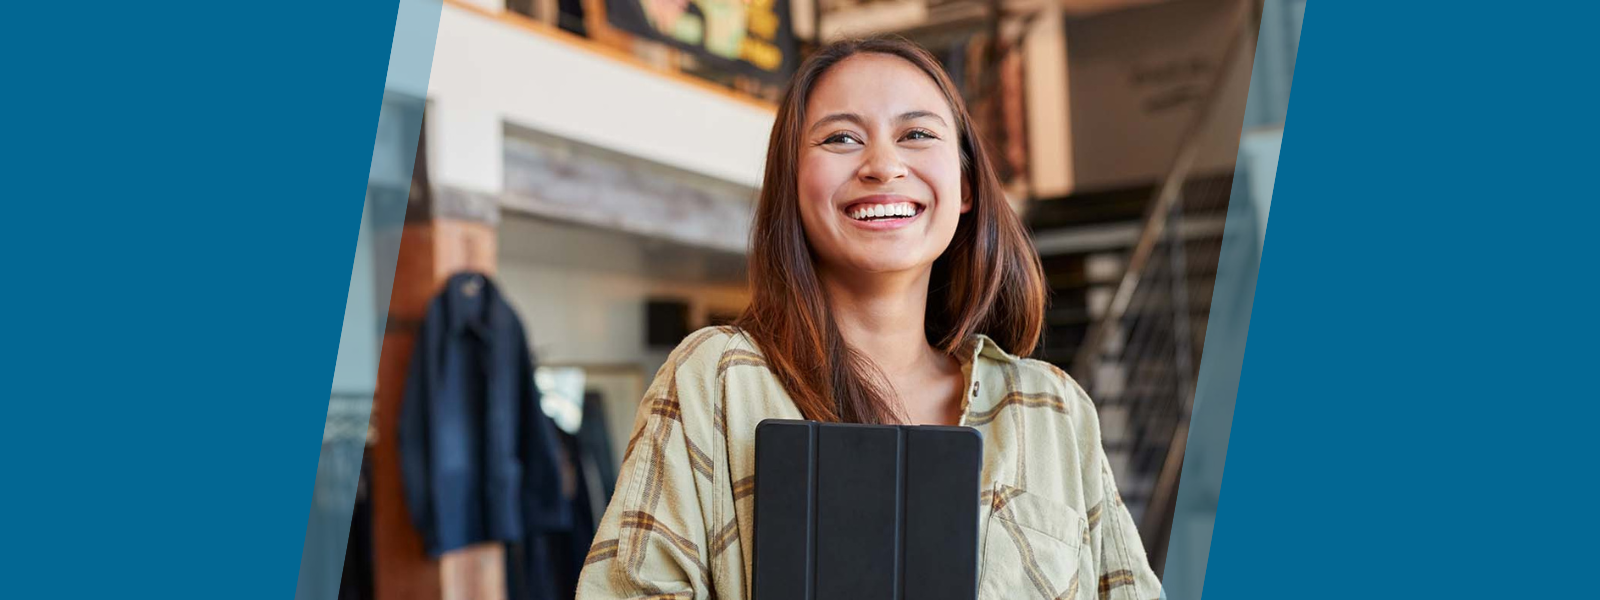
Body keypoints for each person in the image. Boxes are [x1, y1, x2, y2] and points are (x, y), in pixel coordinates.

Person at [576, 38, 1161, 600]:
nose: (883, 165)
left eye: (916, 134)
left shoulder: (1053, 409)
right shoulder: (717, 382)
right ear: (793, 185)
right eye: (842, 138)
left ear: (964, 185)